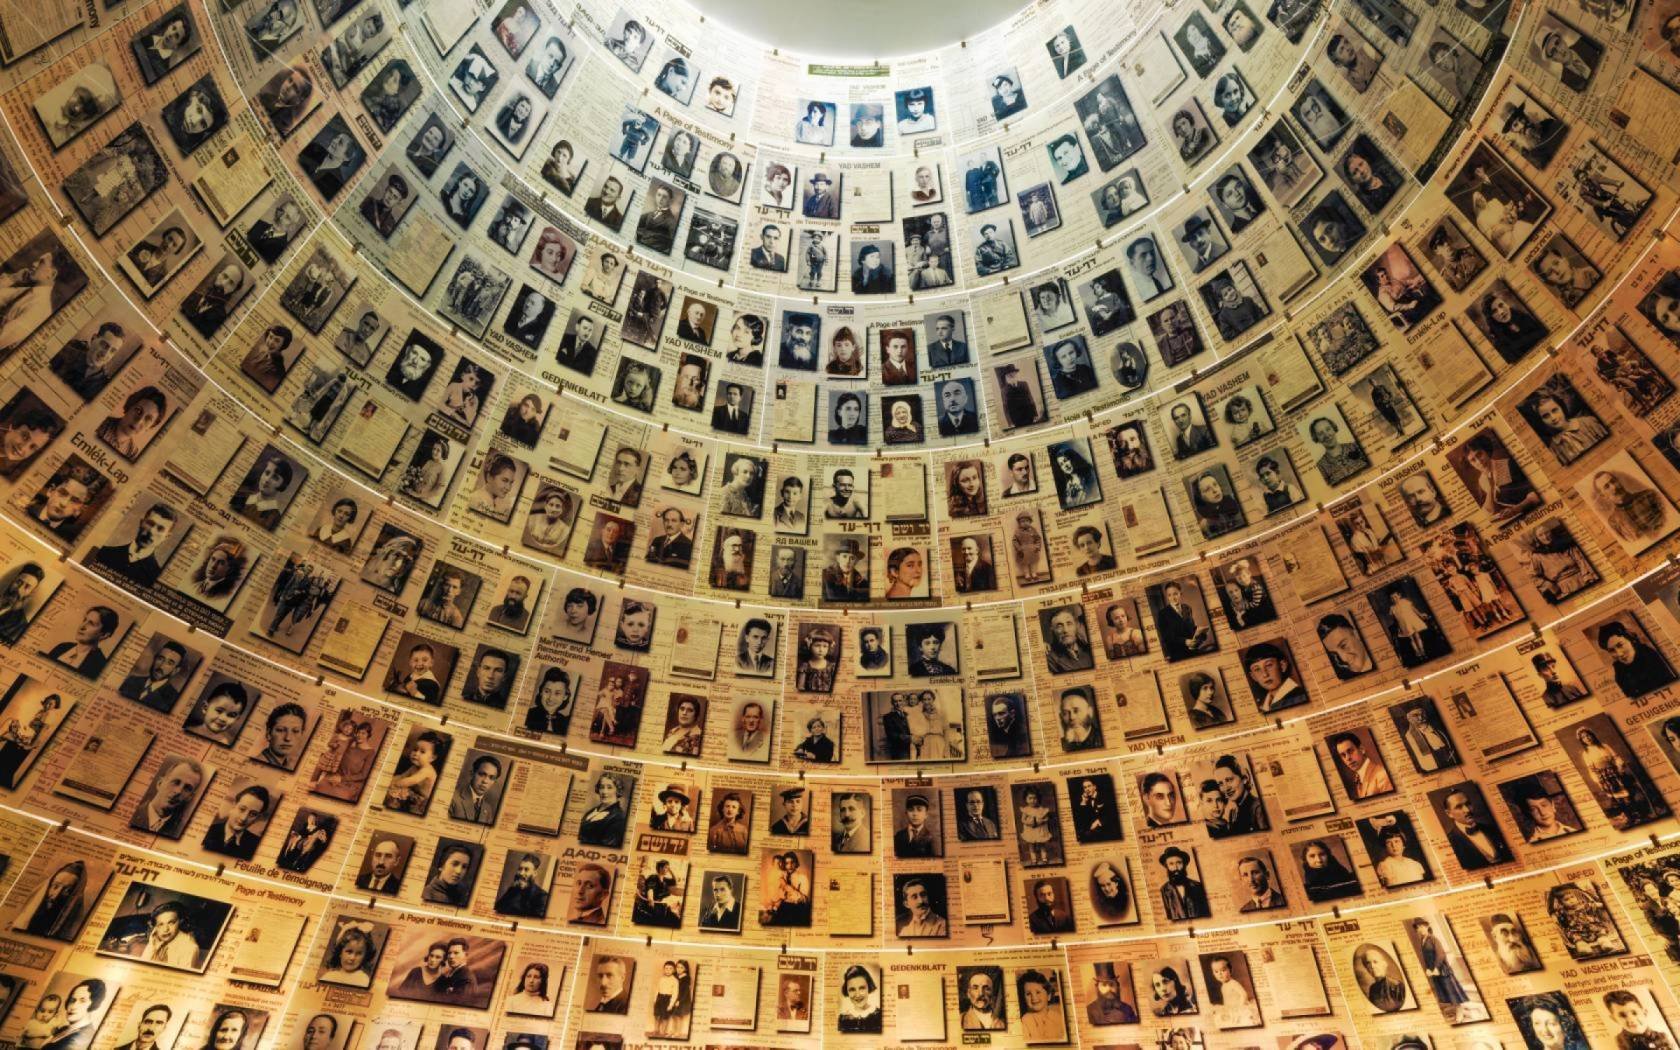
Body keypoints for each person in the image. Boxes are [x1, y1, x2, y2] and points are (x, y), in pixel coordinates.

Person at [838, 966, 881, 1032]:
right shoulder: (842, 1019)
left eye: (862, 988)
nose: (857, 995)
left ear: (869, 987)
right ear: (847, 991)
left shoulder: (880, 1015)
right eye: (852, 989)